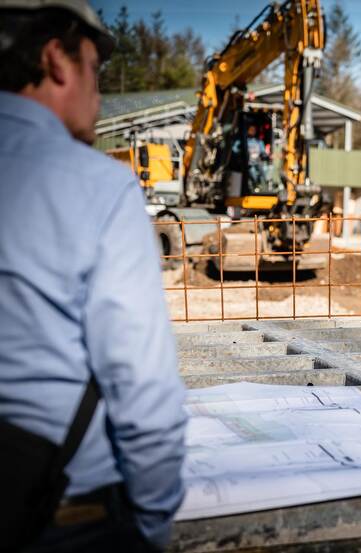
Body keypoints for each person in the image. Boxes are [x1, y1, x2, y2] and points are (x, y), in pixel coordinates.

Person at [0, 1, 187, 551]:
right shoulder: (97, 186)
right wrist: (149, 526)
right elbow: (143, 390)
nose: (99, 95)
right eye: (95, 70)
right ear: (57, 58)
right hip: (60, 516)